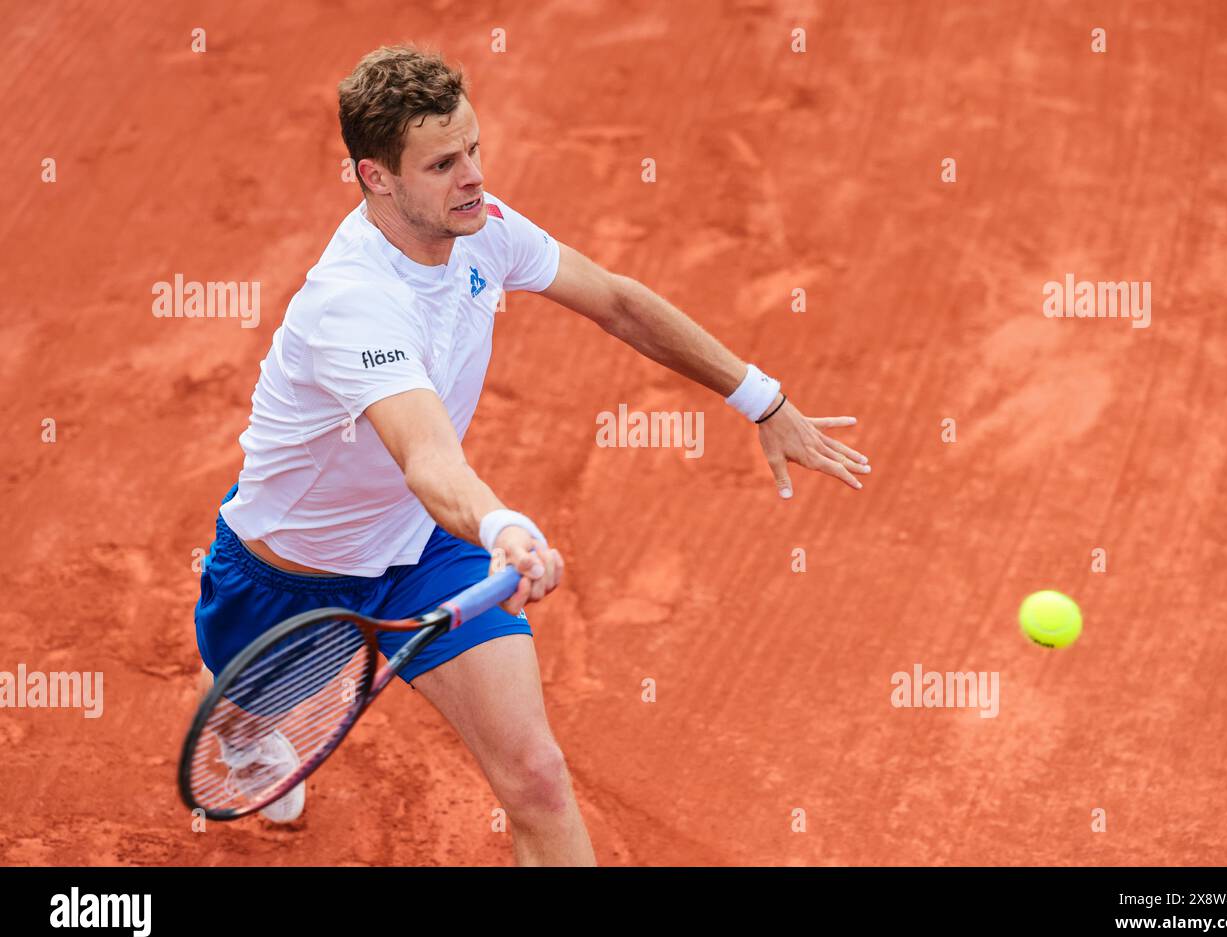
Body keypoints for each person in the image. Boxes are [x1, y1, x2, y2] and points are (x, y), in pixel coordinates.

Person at [193, 44, 870, 866]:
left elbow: (618, 301)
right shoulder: (353, 305)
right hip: (289, 574)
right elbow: (428, 457)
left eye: (474, 148)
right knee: (246, 708)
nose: (473, 175)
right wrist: (503, 523)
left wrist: (761, 397)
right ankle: (248, 718)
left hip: (424, 547)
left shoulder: (482, 230)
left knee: (539, 777)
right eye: (443, 163)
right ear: (376, 178)